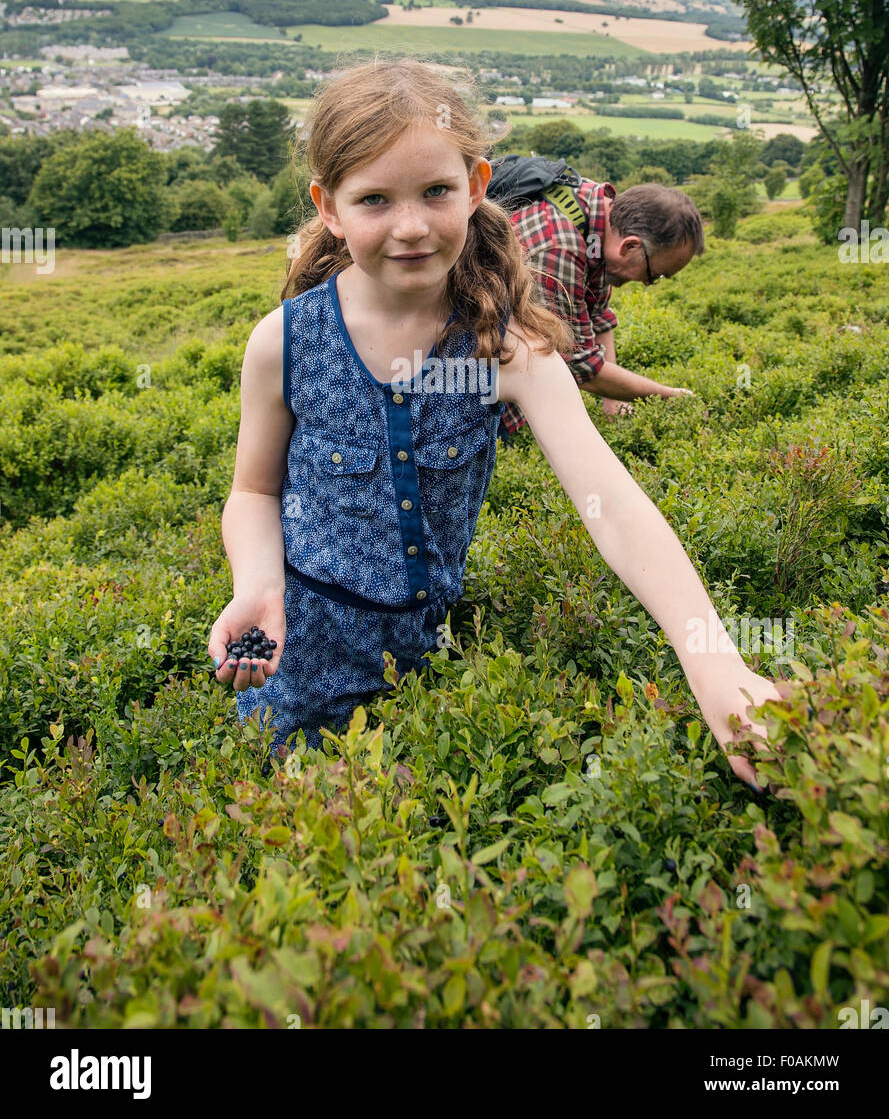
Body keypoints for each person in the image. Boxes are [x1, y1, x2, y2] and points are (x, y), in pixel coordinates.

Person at [207, 57, 779, 789]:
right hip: (297, 662)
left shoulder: (506, 350)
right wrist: (258, 584)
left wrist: (714, 662)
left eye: (436, 192)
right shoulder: (281, 342)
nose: (410, 227)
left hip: (425, 658)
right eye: (374, 199)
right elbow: (252, 491)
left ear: (476, 187)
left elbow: (614, 508)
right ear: (329, 206)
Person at [499, 176, 704, 438]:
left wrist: (614, 401)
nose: (646, 284)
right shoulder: (559, 247)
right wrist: (669, 395)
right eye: (654, 275)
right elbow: (580, 364)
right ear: (630, 246)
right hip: (468, 383)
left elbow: (599, 316)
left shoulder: (600, 214)